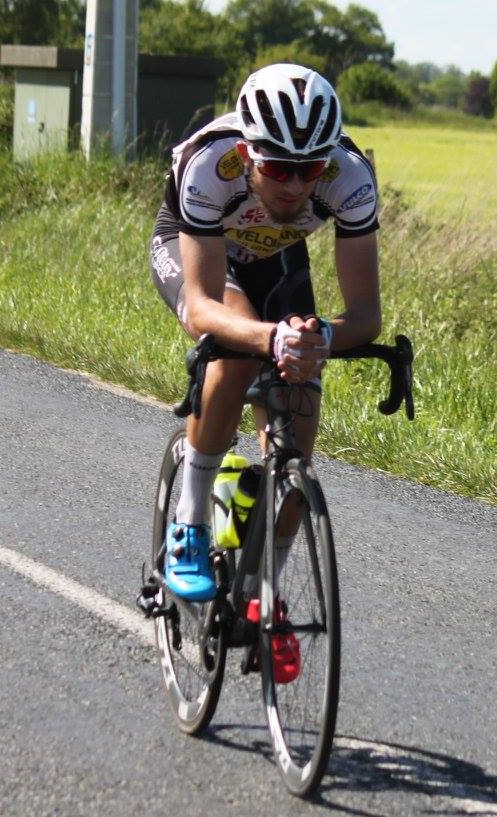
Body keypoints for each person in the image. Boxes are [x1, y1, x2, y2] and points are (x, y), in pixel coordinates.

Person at [149, 63, 381, 600]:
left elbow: (367, 314)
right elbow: (204, 309)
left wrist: (317, 335)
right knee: (236, 351)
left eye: (310, 168)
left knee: (298, 448)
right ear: (251, 153)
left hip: (276, 256)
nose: (296, 185)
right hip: (200, 253)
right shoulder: (209, 162)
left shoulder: (350, 177)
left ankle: (261, 591)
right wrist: (272, 339)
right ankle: (190, 522)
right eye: (278, 169)